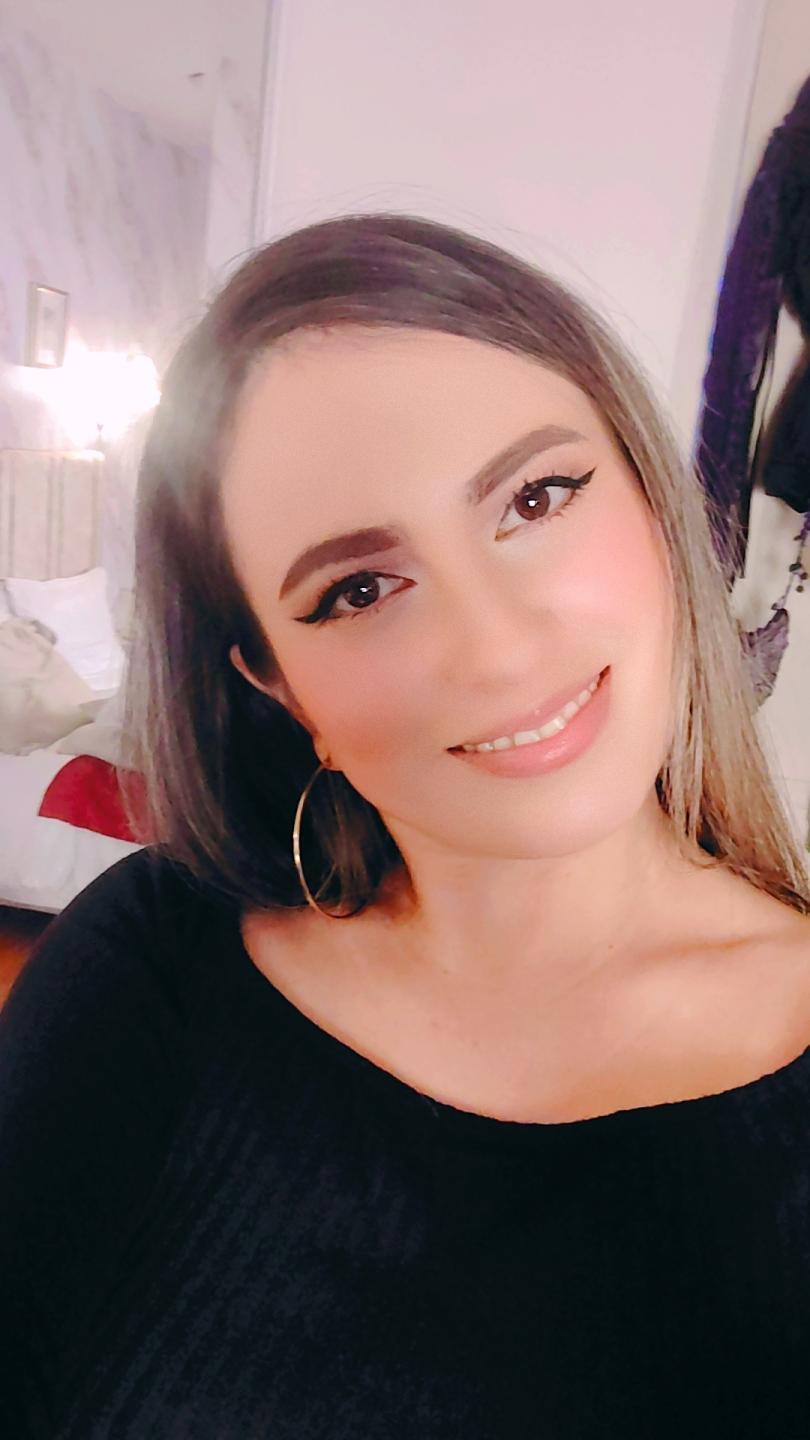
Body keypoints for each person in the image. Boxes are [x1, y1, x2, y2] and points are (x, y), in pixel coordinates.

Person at [2, 212, 810, 1439]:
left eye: (537, 497)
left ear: (654, 505)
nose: (497, 649)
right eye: (360, 590)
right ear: (282, 691)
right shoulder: (156, 961)